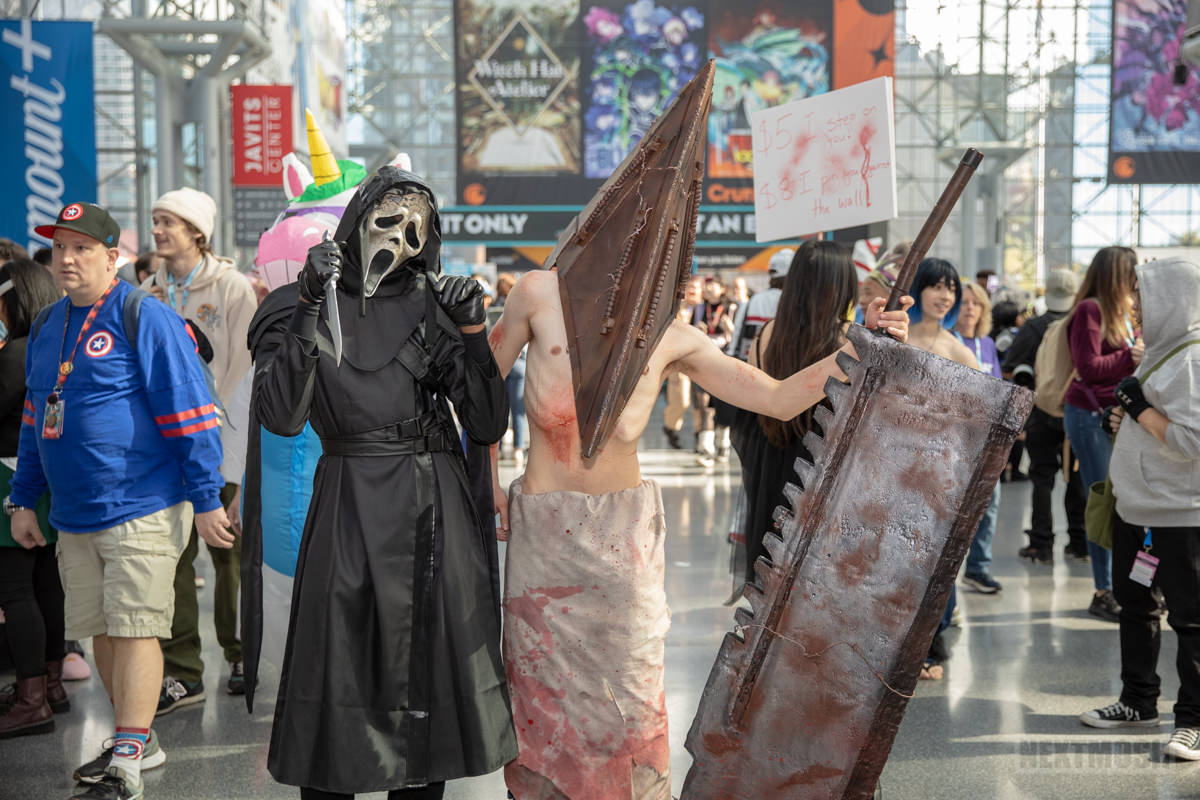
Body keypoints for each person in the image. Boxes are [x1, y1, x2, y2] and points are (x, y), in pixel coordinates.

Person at [488, 265, 911, 798]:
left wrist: (860, 343)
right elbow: (480, 390)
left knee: (631, 697)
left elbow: (778, 398)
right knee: (541, 696)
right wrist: (487, 479)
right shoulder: (538, 294)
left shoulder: (670, 336)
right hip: (545, 542)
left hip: (623, 547)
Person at [252, 166, 516, 798]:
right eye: (389, 218)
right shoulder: (294, 304)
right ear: (357, 218)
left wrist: (474, 336)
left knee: (425, 671)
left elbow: (485, 424)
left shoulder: (433, 305)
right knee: (336, 657)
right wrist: (309, 304)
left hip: (431, 508)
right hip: (347, 502)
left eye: (416, 228)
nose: (401, 238)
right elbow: (282, 416)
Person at [7, 201, 231, 800]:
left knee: (134, 629)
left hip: (142, 504)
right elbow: (35, 418)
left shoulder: (143, 316)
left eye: (82, 248)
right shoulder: (48, 326)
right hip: (73, 513)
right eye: (61, 247)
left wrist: (206, 497)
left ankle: (127, 754)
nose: (67, 259)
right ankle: (140, 739)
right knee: (101, 631)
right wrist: (23, 499)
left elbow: (190, 411)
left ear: (113, 257)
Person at [1079, 257, 1200, 762]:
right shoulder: (1162, 354)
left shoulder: (1192, 360)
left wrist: (1138, 409)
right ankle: (1138, 701)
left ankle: (1193, 721)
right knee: (1137, 608)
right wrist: (1123, 417)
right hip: (1139, 511)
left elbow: (1192, 440)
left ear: (1173, 299)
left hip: (1179, 516)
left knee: (1191, 622)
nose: (1136, 308)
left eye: (1144, 297)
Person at [142, 187, 257, 708]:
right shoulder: (146, 291)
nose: (158, 230)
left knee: (228, 554)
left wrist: (222, 430)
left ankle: (241, 654)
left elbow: (246, 364)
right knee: (175, 556)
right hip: (164, 447)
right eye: (155, 220)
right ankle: (183, 670)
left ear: (196, 232)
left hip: (220, 442)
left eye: (168, 221)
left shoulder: (231, 288)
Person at [0, 257, 65, 738]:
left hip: (10, 480)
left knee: (15, 588)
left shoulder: (13, 354)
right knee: (46, 585)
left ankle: (31, 698)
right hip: (46, 478)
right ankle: (51, 684)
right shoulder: (49, 348)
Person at [904, 258, 979, 678]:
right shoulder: (898, 339)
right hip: (892, 467)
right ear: (919, 288)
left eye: (951, 287)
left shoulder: (959, 352)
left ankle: (931, 645)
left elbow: (978, 421)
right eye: (936, 285)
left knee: (935, 560)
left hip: (940, 474)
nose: (944, 295)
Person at [1064, 246, 1141, 623]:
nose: (1136, 279)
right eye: (1131, 272)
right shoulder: (1090, 310)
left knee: (1121, 501)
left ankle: (1122, 585)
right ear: (1116, 275)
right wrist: (1131, 356)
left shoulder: (1122, 313)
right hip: (1090, 415)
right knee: (1102, 499)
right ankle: (1103, 590)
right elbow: (1089, 366)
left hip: (1116, 416)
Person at [1007, 269, 1088, 564]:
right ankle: (1080, 543)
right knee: (1076, 478)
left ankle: (1041, 544)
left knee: (1042, 478)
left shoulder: (1033, 326)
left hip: (1041, 412)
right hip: (1077, 412)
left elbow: (1012, 368)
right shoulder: (1083, 324)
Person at [954, 281, 1004, 593]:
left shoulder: (987, 344)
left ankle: (978, 568)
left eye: (976, 303)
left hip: (987, 439)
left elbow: (998, 388)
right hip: (957, 438)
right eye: (965, 302)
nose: (970, 308)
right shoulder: (948, 342)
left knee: (990, 502)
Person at [726, 248, 792, 362]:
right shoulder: (795, 303)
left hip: (749, 367)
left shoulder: (752, 301)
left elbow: (735, 341)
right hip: (784, 366)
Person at [662, 274, 704, 449]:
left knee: (701, 402)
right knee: (681, 399)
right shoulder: (678, 308)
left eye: (696, 287)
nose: (692, 290)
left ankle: (700, 434)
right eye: (689, 287)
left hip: (702, 361)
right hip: (680, 361)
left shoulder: (706, 308)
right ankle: (670, 426)